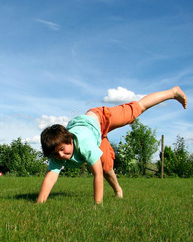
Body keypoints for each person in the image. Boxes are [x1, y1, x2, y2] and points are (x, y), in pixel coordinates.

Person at [37, 86, 187, 204]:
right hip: (95, 135)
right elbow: (51, 177)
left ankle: (173, 92)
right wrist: (39, 204)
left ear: (70, 141)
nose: (61, 155)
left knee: (137, 109)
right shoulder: (57, 151)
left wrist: (97, 205)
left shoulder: (84, 144)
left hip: (101, 118)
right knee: (106, 167)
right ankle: (118, 191)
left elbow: (96, 175)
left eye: (62, 150)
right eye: (56, 154)